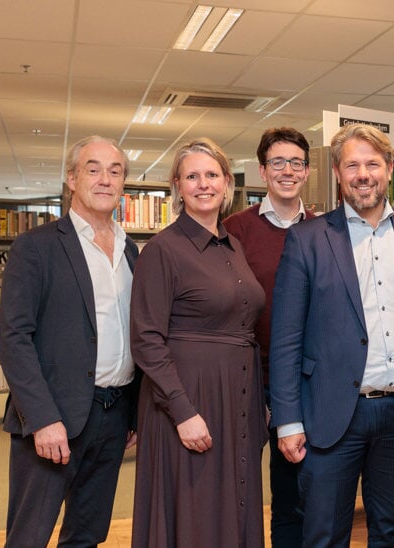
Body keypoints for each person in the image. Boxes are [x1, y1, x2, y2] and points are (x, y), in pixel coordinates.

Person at [269, 123, 394, 547]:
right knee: (325, 536)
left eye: (372, 163)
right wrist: (288, 421)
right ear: (337, 171)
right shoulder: (307, 239)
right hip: (333, 414)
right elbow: (286, 339)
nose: (363, 174)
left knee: (390, 532)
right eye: (352, 164)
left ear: (388, 169)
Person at [0, 135, 139, 547]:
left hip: (114, 415)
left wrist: (133, 415)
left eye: (115, 172)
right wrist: (41, 418)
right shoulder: (36, 247)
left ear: (123, 184)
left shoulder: (132, 252)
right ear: (72, 178)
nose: (104, 179)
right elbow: (14, 338)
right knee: (29, 535)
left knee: (88, 534)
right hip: (54, 417)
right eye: (93, 169)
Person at [130, 138, 267, 547]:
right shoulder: (162, 250)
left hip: (234, 401)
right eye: (192, 176)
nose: (203, 184)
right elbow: (146, 339)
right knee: (194, 511)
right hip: (188, 401)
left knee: (234, 504)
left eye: (212, 175)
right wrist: (182, 411)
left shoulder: (234, 245)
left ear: (227, 183)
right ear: (177, 185)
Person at [223, 127, 316, 547]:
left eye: (296, 162)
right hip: (246, 379)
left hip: (301, 381)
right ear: (262, 172)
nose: (287, 171)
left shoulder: (323, 229)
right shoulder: (233, 230)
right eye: (277, 162)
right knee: (236, 490)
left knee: (293, 492)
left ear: (307, 172)